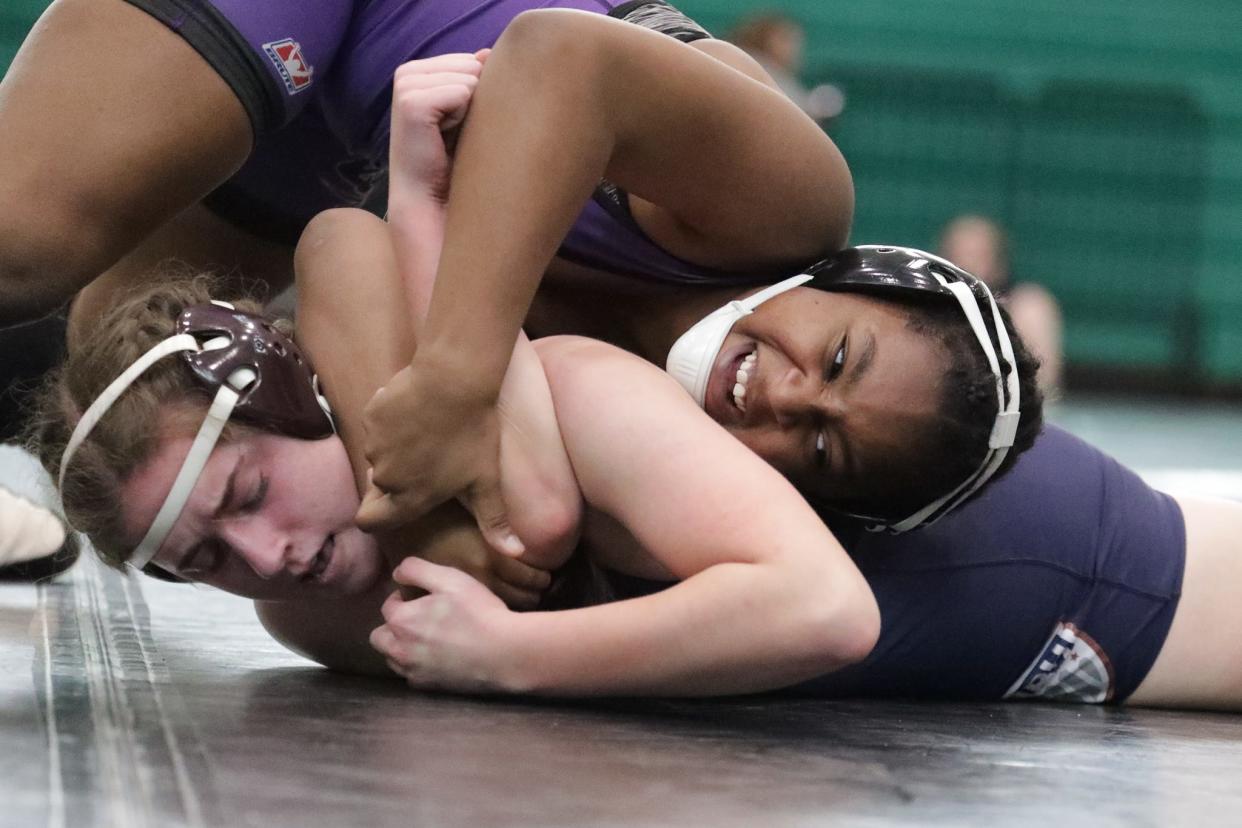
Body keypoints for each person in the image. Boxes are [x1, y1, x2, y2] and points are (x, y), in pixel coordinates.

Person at [938, 215, 1064, 399]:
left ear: (998, 263)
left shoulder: (1027, 307)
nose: (967, 264)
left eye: (978, 255)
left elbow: (1044, 384)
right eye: (959, 255)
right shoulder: (929, 313)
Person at [728, 12, 845, 122]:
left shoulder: (778, 75)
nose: (793, 48)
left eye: (795, 41)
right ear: (764, 37)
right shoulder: (755, 67)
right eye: (784, 39)